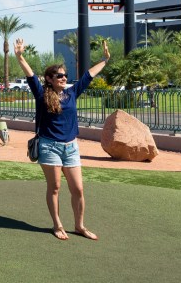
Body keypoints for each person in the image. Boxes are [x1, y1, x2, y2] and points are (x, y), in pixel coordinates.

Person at [15, 36, 109, 241]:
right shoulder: (41, 94)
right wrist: (20, 56)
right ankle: (57, 224)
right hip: (49, 146)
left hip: (71, 147)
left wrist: (105, 59)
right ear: (49, 78)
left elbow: (89, 75)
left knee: (78, 189)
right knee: (55, 187)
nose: (64, 78)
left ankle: (79, 225)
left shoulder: (72, 93)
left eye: (65, 75)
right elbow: (30, 75)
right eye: (59, 75)